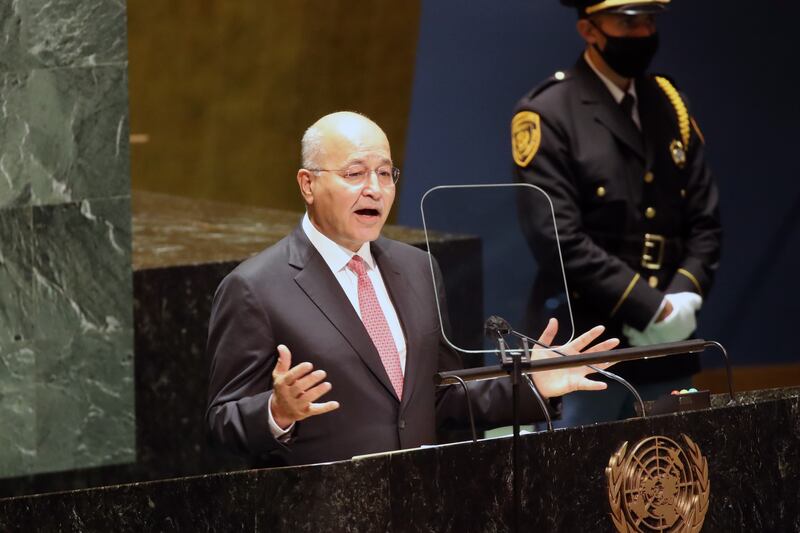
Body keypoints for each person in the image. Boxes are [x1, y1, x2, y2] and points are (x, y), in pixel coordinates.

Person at [206, 111, 619, 466]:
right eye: (354, 174)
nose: (375, 188)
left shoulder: (417, 267)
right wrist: (277, 411)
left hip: (419, 504)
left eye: (385, 173)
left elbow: (443, 397)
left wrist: (532, 382)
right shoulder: (254, 288)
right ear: (307, 184)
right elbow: (222, 423)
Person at [512, 0, 721, 427]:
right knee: (576, 486)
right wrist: (648, 308)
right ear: (589, 30)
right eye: (627, 23)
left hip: (668, 349)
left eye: (648, 21)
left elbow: (704, 221)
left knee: (671, 479)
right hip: (586, 347)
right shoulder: (548, 112)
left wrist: (682, 299)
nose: (643, 33)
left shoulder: (669, 102)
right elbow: (557, 239)